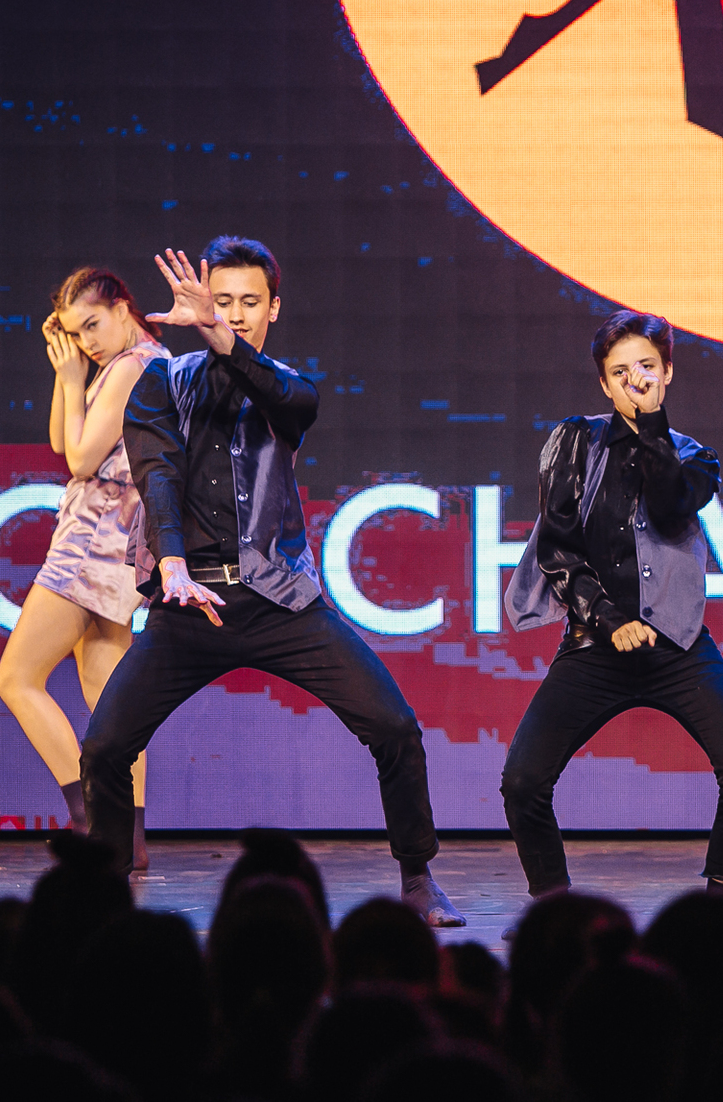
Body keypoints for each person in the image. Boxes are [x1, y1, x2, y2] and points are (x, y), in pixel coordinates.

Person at [80, 236, 463, 924]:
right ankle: (104, 896)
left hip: (280, 600)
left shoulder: (289, 388)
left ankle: (418, 876)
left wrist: (220, 336)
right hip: (191, 603)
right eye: (221, 301)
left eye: (248, 303)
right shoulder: (161, 382)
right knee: (106, 746)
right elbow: (157, 475)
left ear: (273, 309)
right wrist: (171, 563)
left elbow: (284, 398)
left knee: (394, 726)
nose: (233, 314)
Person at [502, 310, 723, 900]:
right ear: (604, 383)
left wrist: (652, 426)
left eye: (646, 367)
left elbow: (671, 508)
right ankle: (555, 909)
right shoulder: (574, 443)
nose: (635, 381)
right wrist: (607, 618)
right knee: (522, 781)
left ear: (667, 372)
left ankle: (719, 906)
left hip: (678, 647)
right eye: (620, 372)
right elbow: (557, 549)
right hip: (595, 648)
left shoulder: (696, 458)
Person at [0, 266, 168, 862]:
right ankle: (130, 839)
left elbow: (79, 460)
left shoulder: (131, 367)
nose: (86, 342)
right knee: (111, 698)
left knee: (16, 677)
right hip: (122, 542)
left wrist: (76, 380)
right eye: (74, 333)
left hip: (93, 541)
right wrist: (67, 377)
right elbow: (60, 440)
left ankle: (95, 816)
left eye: (92, 324)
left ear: (123, 307)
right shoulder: (141, 362)